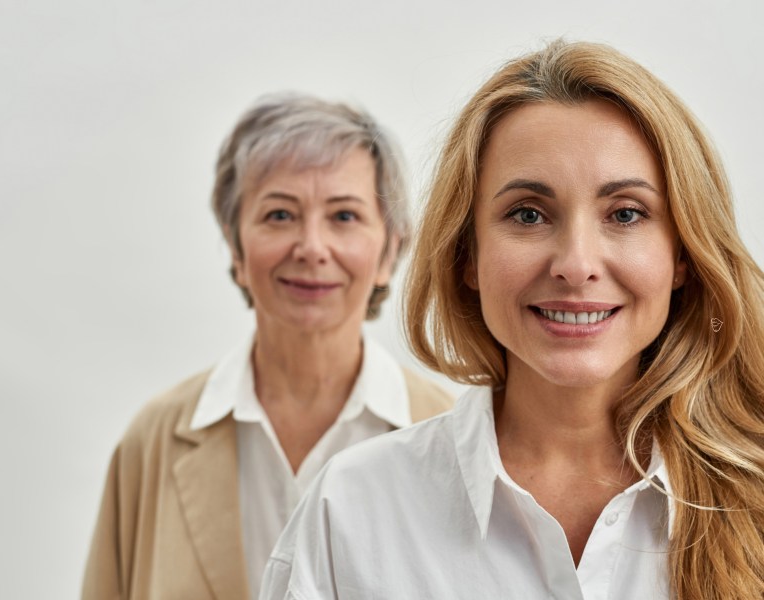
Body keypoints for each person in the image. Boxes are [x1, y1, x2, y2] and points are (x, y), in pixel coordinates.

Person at [260, 41, 764, 599]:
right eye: (528, 214)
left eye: (625, 213)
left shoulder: (754, 497)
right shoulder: (352, 511)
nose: (575, 266)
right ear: (466, 254)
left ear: (682, 256)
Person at [81, 94, 453, 600]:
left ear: (390, 251)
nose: (312, 248)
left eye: (344, 216)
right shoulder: (152, 443)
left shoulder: (454, 441)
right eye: (280, 215)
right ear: (235, 247)